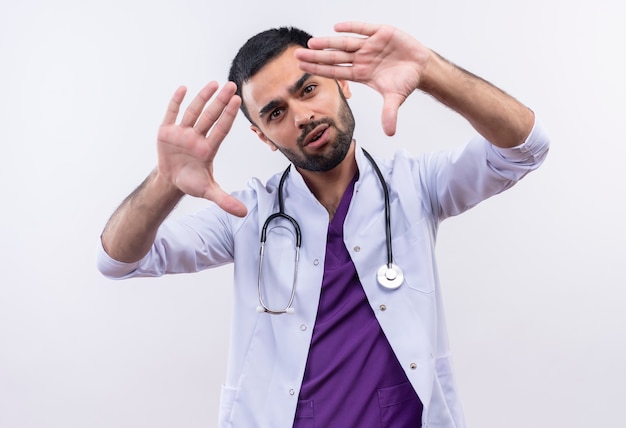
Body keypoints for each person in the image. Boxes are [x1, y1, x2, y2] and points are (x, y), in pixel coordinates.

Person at [97, 21, 549, 428]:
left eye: (308, 89)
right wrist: (165, 184)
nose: (301, 116)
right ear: (262, 136)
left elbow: (525, 148)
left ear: (343, 84)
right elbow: (118, 260)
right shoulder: (247, 215)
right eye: (275, 113)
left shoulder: (415, 186)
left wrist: (430, 70)